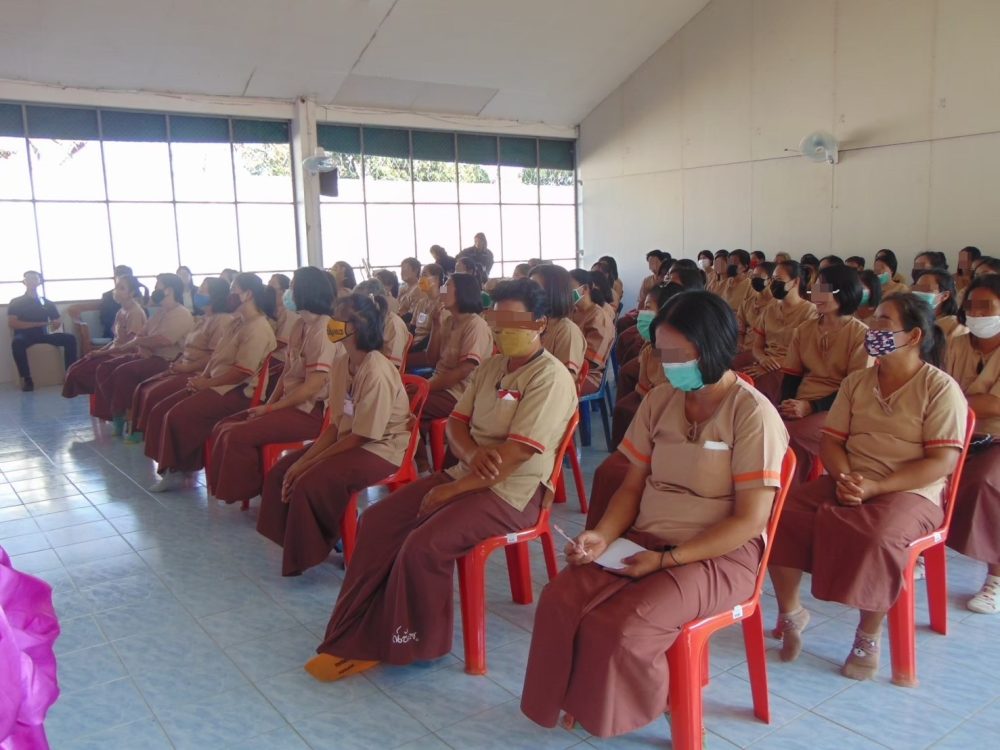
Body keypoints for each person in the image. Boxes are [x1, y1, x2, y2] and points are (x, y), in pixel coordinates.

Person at [521, 290, 788, 738]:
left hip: (721, 554)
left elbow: (749, 521)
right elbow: (632, 487)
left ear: (712, 349)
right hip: (649, 536)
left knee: (627, 624)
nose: (667, 366)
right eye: (661, 353)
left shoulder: (752, 413)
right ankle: (579, 695)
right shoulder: (661, 400)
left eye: (677, 355)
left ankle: (661, 701)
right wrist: (603, 535)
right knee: (560, 599)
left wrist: (668, 560)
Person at [304, 278, 577, 681]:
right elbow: (457, 423)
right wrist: (469, 457)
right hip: (467, 471)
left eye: (514, 321)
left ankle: (415, 639)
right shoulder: (493, 367)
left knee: (424, 544)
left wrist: (454, 489)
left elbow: (519, 452)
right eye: (498, 320)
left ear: (539, 323)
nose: (503, 329)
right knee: (377, 520)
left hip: (513, 492)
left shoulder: (549, 378)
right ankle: (360, 623)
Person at [768, 293, 966, 680]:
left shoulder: (940, 389)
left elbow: (942, 461)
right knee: (782, 515)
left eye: (883, 322)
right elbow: (832, 442)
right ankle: (791, 614)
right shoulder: (857, 382)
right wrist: (845, 478)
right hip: (851, 478)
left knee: (878, 536)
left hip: (912, 490)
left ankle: (867, 637)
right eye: (872, 320)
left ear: (913, 336)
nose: (872, 329)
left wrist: (876, 487)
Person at [256, 293, 412, 575]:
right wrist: (304, 459)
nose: (332, 324)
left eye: (338, 319)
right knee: (283, 470)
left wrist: (309, 463)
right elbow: (337, 424)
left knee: (309, 480)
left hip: (380, 448)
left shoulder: (376, 369)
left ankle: (311, 549)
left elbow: (364, 435)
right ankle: (296, 541)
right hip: (350, 439)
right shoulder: (342, 363)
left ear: (356, 327)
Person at [207, 267, 340, 504]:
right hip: (291, 405)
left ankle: (254, 489)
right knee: (223, 426)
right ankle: (251, 486)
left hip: (312, 412)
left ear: (305, 290)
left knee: (237, 434)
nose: (287, 293)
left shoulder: (324, 329)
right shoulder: (300, 325)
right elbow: (286, 374)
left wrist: (270, 410)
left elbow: (313, 386)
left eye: (292, 287)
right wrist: (267, 405)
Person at [145, 273, 276, 492]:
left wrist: (207, 384)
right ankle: (179, 463)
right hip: (216, 383)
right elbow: (215, 356)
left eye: (234, 289)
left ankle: (175, 469)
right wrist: (203, 378)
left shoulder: (258, 327)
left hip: (237, 392)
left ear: (247, 294)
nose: (230, 294)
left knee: (178, 415)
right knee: (163, 407)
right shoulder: (237, 322)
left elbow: (241, 372)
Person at [778, 265, 872, 484]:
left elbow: (854, 389)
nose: (816, 294)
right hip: (802, 401)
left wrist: (811, 406)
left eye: (824, 288)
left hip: (838, 407)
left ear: (845, 292)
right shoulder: (804, 329)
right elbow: (791, 376)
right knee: (769, 426)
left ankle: (793, 488)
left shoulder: (860, 334)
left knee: (790, 434)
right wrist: (787, 404)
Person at [944, 275, 1000, 613]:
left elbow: (994, 405)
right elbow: (940, 385)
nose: (977, 313)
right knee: (916, 470)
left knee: (986, 483)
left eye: (987, 306)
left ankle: (995, 576)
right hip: (956, 432)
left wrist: (952, 401)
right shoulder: (958, 344)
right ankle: (920, 550)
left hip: (995, 437)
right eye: (972, 306)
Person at [127, 278, 233, 444]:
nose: (198, 293)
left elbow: (214, 355)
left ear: (215, 295)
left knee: (155, 395)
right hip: (184, 365)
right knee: (145, 387)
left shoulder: (222, 320)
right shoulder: (203, 318)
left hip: (198, 371)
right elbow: (188, 347)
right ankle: (147, 435)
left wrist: (188, 368)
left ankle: (157, 440)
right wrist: (180, 364)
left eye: (203, 291)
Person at [91, 273, 195, 435]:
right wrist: (141, 343)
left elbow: (164, 340)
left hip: (167, 359)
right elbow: (142, 333)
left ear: (168, 290)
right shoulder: (161, 312)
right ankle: (116, 412)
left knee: (124, 372)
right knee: (105, 367)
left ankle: (130, 420)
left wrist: (140, 342)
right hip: (148, 354)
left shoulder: (181, 313)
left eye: (158, 286)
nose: (154, 290)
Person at [409, 273, 493, 450]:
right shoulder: (448, 321)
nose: (442, 290)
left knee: (406, 404)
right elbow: (432, 360)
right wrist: (436, 326)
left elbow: (464, 371)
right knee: (401, 398)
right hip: (440, 385)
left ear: (462, 291)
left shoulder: (475, 325)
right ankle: (418, 457)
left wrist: (425, 387)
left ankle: (418, 460)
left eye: (447, 286)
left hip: (461, 393)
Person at [609, 284, 680, 449]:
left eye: (648, 308)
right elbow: (645, 380)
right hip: (650, 394)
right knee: (623, 408)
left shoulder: (677, 352)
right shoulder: (652, 348)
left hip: (668, 403)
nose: (642, 313)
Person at [743, 260, 817, 404]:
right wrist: (763, 359)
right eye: (772, 279)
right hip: (766, 361)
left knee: (756, 391)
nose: (773, 284)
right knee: (736, 376)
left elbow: (806, 354)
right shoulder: (770, 309)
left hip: (789, 367)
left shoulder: (810, 312)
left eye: (778, 280)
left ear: (795, 282)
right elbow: (757, 346)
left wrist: (772, 365)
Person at [61, 276, 146, 399]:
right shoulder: (121, 311)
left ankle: (109, 404)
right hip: (113, 351)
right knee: (74, 368)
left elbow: (131, 345)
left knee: (79, 373)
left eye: (122, 288)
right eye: (116, 287)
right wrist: (99, 351)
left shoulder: (135, 312)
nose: (116, 291)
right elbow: (116, 339)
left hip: (124, 355)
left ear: (132, 293)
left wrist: (101, 353)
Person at [8, 271, 78, 392]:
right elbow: (12, 323)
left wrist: (57, 323)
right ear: (24, 282)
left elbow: (56, 320)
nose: (32, 281)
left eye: (34, 278)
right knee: (17, 343)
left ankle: (70, 375)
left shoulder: (46, 302)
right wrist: (38, 324)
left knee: (70, 338)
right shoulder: (16, 302)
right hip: (25, 335)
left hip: (45, 334)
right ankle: (27, 379)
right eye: (29, 279)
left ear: (39, 281)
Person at [529, 264, 586, 378]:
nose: (527, 295)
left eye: (535, 290)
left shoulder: (567, 331)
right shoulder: (532, 322)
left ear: (554, 294)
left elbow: (567, 378)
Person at [569, 269, 615, 395]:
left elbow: (591, 362)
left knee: (549, 391)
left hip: (587, 374)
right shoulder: (572, 311)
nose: (566, 293)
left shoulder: (599, 318)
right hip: (569, 367)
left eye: (569, 288)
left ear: (585, 289)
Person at [355, 279, 410, 370]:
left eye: (359, 304)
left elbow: (391, 367)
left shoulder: (393, 325)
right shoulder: (367, 322)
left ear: (375, 301)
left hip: (380, 374)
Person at [736, 261, 774, 358]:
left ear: (770, 280)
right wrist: (740, 345)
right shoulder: (748, 302)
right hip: (744, 349)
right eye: (753, 276)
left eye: (759, 277)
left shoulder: (777, 305)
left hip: (764, 352)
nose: (755, 279)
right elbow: (740, 330)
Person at [911, 268, 964, 338]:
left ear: (945, 295)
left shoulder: (954, 325)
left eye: (927, 289)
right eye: (918, 288)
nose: (919, 293)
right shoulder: (910, 319)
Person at [98, 265, 140, 339]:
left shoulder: (137, 296)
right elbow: (104, 319)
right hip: (113, 332)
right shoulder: (107, 296)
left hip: (133, 336)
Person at [719, 249, 753, 313]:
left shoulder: (750, 285)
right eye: (730, 263)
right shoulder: (725, 282)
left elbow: (750, 311)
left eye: (735, 264)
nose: (731, 266)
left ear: (745, 267)